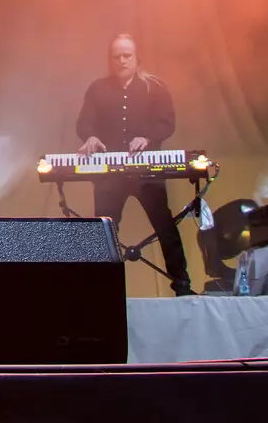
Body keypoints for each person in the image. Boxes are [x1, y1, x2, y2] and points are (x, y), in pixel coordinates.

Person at [76, 33, 193, 296]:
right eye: (116, 56)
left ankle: (182, 284)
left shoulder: (155, 87)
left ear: (137, 57)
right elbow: (83, 123)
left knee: (164, 224)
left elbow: (167, 122)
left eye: (127, 55)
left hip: (146, 170)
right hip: (110, 173)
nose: (121, 60)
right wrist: (90, 137)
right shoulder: (97, 89)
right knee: (103, 230)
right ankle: (98, 289)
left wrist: (148, 138)